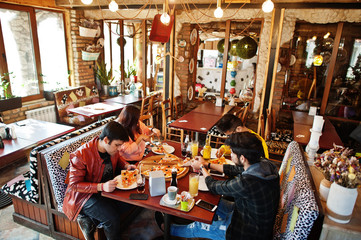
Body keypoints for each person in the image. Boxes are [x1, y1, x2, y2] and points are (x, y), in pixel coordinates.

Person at [169, 132, 280, 240]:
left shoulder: (248, 182)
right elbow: (234, 169)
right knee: (214, 201)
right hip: (246, 213)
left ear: (242, 158)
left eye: (232, 153)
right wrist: (207, 164)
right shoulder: (264, 163)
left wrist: (202, 168)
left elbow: (213, 186)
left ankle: (167, 229)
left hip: (246, 232)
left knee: (199, 226)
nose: (230, 155)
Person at [62, 121, 137, 240]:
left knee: (131, 201)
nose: (119, 149)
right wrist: (101, 187)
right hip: (83, 197)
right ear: (106, 140)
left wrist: (126, 166)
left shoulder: (110, 149)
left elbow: (118, 159)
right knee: (112, 218)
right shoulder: (81, 155)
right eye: (117, 145)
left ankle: (90, 221)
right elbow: (74, 185)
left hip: (104, 189)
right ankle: (88, 219)